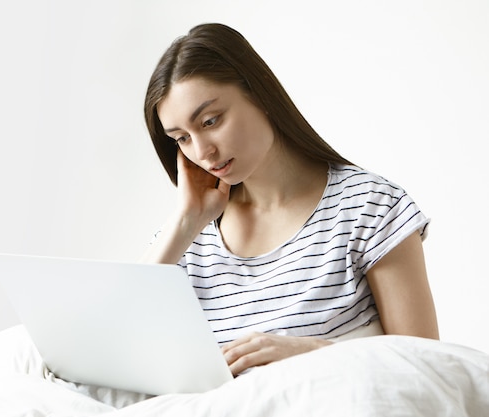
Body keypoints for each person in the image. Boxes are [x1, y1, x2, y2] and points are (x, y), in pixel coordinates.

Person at [141, 23, 439, 377]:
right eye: (182, 139)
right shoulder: (187, 241)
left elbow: (429, 370)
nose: (202, 151)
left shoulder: (369, 207)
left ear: (260, 95)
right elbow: (108, 353)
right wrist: (185, 224)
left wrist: (312, 353)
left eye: (210, 120)